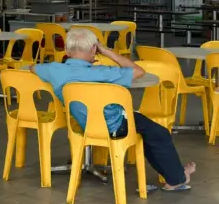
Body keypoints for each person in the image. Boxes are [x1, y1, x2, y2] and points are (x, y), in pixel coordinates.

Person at [34, 28, 195, 191]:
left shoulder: (53, 70)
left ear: (67, 50)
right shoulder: (104, 72)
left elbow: (33, 68)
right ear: (94, 50)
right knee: (158, 133)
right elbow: (139, 71)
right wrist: (106, 51)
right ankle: (176, 179)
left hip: (82, 124)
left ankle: (176, 175)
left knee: (149, 130)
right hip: (115, 126)